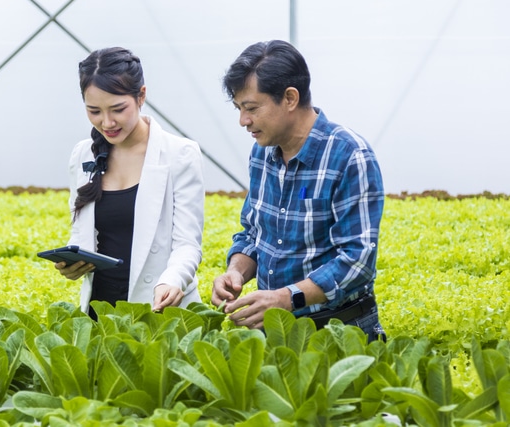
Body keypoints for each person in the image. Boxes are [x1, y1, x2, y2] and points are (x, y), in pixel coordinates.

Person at [211, 40, 386, 342]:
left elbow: (357, 261)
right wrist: (236, 271)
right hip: (275, 332)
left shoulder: (348, 155)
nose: (243, 121)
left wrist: (284, 298)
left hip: (338, 333)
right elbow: (253, 234)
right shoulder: (261, 154)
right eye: (239, 108)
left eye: (251, 108)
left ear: (290, 98)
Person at [55, 46, 205, 319]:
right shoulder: (83, 154)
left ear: (141, 96)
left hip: (160, 307)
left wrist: (172, 279)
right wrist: (73, 262)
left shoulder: (179, 154)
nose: (107, 122)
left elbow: (187, 243)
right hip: (98, 312)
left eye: (118, 109)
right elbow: (81, 231)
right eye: (94, 111)